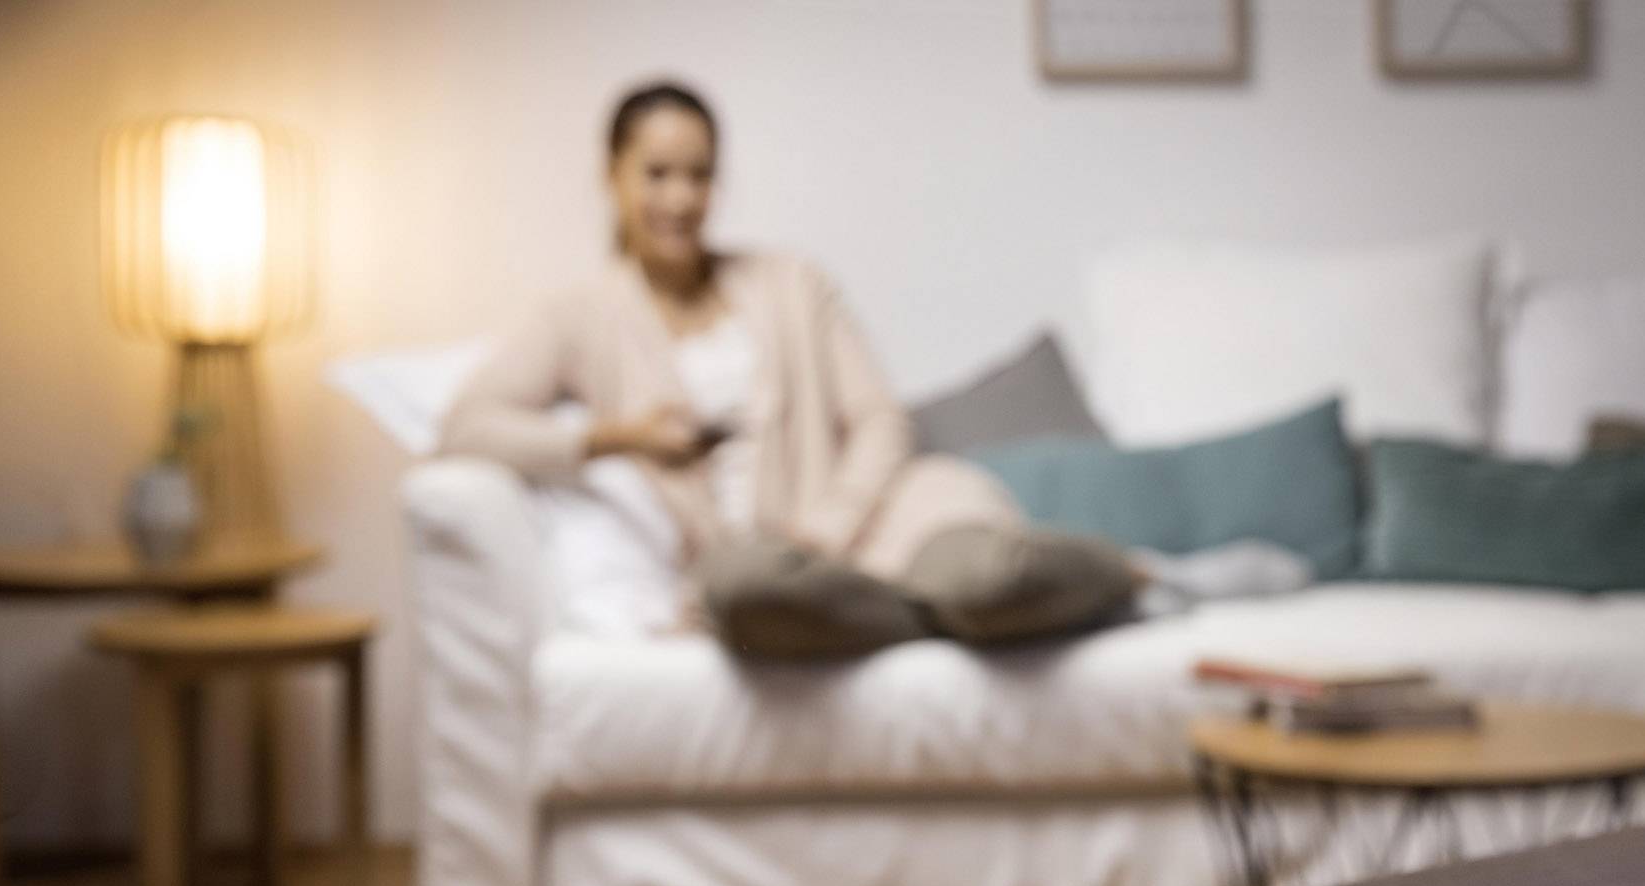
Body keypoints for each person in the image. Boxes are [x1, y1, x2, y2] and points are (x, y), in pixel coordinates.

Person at [442, 80, 1136, 658]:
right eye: (657, 174)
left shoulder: (794, 283)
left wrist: (830, 527)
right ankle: (933, 624)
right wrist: (619, 436)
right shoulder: (579, 315)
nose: (681, 199)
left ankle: (1134, 578)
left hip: (882, 520)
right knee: (751, 596)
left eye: (700, 174)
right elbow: (465, 427)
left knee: (993, 579)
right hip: (765, 569)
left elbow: (878, 420)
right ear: (611, 174)